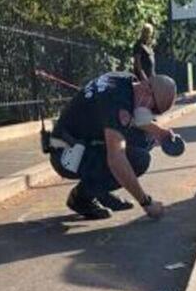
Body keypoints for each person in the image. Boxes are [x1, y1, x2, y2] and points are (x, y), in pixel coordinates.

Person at [48, 72, 178, 220]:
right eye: (154, 110)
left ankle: (99, 190)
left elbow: (132, 117)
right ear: (147, 91)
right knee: (139, 160)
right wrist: (146, 202)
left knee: (145, 139)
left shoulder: (127, 81)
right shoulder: (116, 102)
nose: (152, 114)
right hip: (66, 157)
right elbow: (116, 158)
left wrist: (159, 133)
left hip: (77, 143)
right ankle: (81, 198)